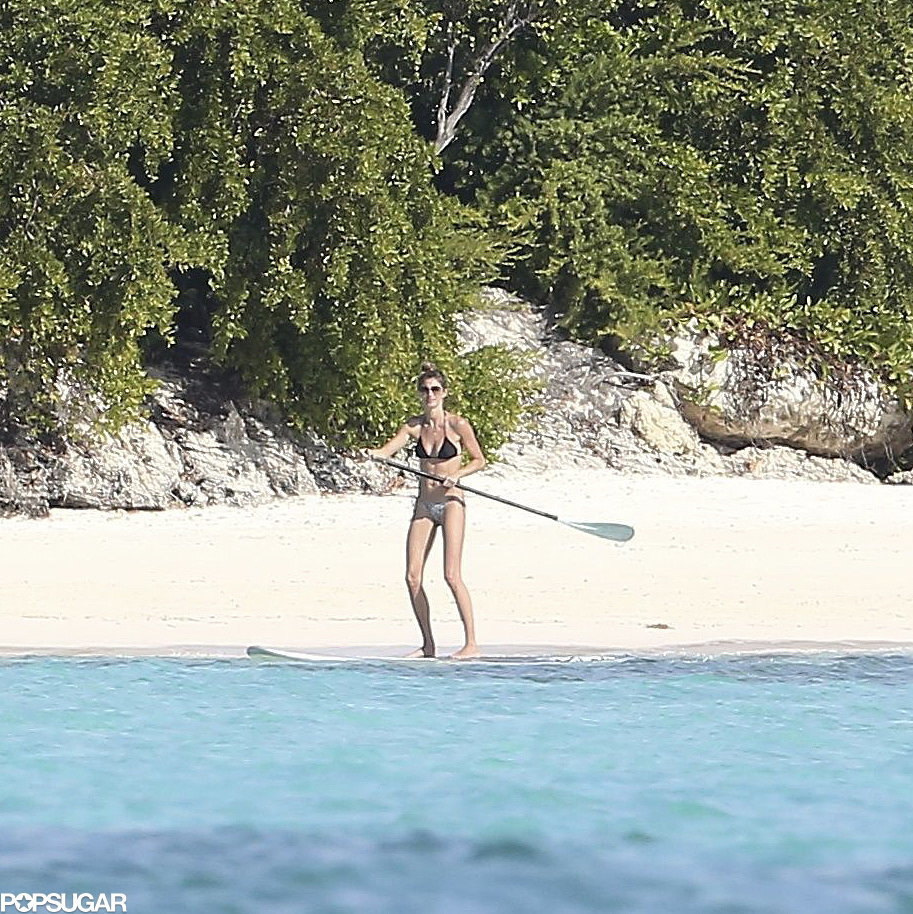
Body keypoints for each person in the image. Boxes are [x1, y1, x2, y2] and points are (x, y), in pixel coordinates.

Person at [367, 363, 487, 659]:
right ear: (419, 394)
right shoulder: (414, 426)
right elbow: (387, 450)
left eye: (435, 389)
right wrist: (373, 454)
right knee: (412, 576)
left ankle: (471, 644)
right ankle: (428, 645)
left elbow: (479, 460)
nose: (430, 394)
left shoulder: (458, 425)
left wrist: (458, 475)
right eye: (425, 390)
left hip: (450, 503)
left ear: (444, 393)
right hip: (423, 505)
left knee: (451, 575)